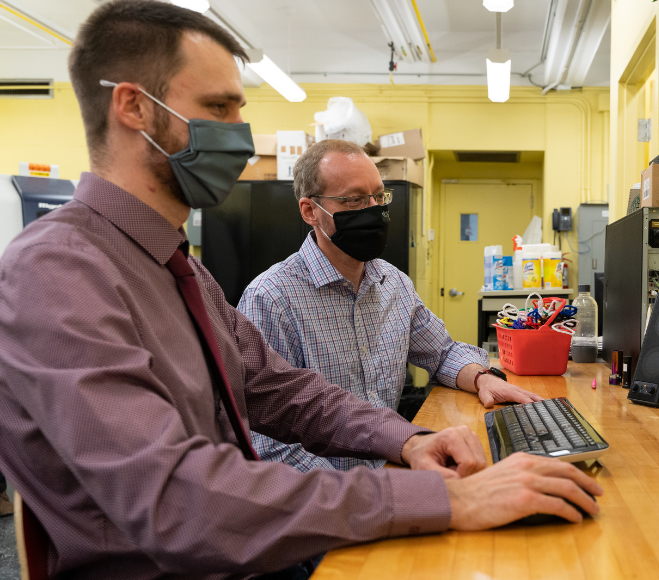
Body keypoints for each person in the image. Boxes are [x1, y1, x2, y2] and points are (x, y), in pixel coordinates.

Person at [0, 2, 601, 579]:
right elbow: (175, 498)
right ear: (133, 106)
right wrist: (434, 500)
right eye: (217, 108)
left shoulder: (174, 267)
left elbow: (284, 393)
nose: (238, 136)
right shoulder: (57, 271)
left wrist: (411, 439)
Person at [238, 139, 543, 472]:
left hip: (394, 463)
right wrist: (383, 489)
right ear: (310, 211)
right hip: (333, 498)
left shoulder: (393, 283)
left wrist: (483, 378)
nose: (373, 210)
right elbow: (271, 452)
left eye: (379, 197)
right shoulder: (271, 299)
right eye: (354, 199)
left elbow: (441, 353)